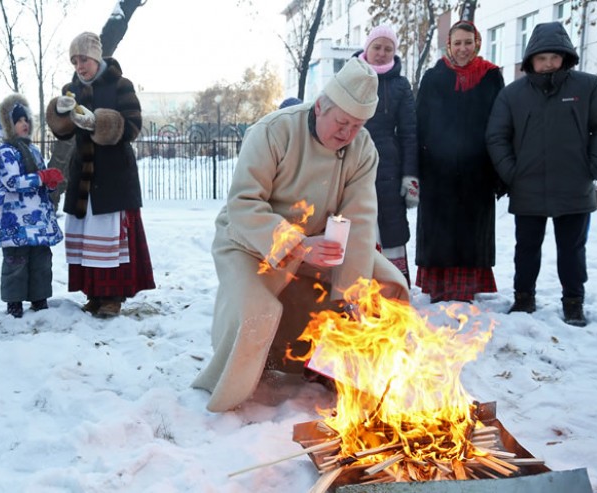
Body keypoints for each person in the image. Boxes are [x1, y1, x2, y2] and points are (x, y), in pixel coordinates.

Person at [192, 57, 410, 413]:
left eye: (357, 125)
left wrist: (350, 291)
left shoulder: (362, 148)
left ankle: (340, 373)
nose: (348, 134)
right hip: (252, 242)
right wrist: (294, 245)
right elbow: (243, 205)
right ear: (321, 105)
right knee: (257, 311)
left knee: (386, 285)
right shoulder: (273, 131)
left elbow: (359, 219)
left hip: (321, 243)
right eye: (342, 122)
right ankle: (236, 387)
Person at [486, 22, 597, 326]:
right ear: (531, 60)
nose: (549, 63)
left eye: (554, 57)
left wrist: (593, 166)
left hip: (574, 185)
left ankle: (573, 302)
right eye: (542, 58)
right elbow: (497, 136)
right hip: (528, 186)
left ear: (565, 57)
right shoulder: (513, 94)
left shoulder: (588, 87)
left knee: (572, 249)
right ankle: (524, 298)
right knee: (526, 247)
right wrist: (512, 172)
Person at [45, 32, 155, 317]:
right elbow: (63, 131)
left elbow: (132, 127)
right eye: (74, 60)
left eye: (83, 59)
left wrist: (99, 122)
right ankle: (94, 293)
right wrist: (59, 113)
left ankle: (112, 297)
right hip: (83, 175)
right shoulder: (71, 88)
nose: (79, 66)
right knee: (87, 236)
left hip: (114, 175)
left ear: (95, 57)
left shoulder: (121, 85)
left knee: (110, 236)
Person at [414, 20, 504, 303]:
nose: (463, 48)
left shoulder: (491, 77)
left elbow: (501, 125)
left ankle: (466, 289)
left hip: (478, 171)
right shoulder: (433, 77)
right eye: (457, 43)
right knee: (439, 230)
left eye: (468, 42)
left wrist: (498, 171)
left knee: (471, 230)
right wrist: (417, 169)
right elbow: (419, 124)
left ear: (477, 43)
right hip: (438, 170)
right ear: (449, 46)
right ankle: (439, 288)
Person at [354, 25, 418, 287]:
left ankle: (394, 290)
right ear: (367, 47)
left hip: (389, 167)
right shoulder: (351, 76)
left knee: (390, 228)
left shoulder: (401, 85)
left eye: (388, 49)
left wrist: (410, 177)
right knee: (355, 227)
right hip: (353, 162)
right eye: (377, 47)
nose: (381, 53)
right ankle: (356, 288)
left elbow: (409, 133)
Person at [0, 94, 65, 319]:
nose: (25, 124)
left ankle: (39, 297)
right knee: (17, 262)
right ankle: (14, 302)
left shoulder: (32, 150)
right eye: (18, 120)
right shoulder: (6, 152)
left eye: (26, 119)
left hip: (38, 220)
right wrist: (41, 177)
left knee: (41, 261)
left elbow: (39, 180)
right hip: (16, 221)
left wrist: (49, 185)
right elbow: (12, 182)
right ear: (7, 126)